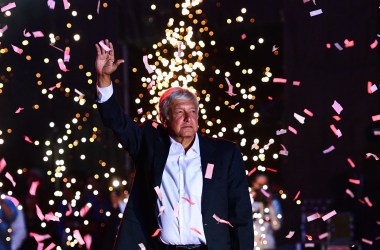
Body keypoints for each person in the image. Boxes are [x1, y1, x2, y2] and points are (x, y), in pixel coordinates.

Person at [95, 39, 254, 250]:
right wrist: (104, 77)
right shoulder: (150, 144)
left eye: (193, 111)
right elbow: (117, 122)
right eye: (180, 112)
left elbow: (241, 214)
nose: (188, 118)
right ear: (164, 118)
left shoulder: (225, 153)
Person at [250, 173, 282, 250]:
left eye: (264, 184)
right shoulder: (248, 202)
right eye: (259, 184)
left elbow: (276, 226)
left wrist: (270, 205)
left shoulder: (274, 203)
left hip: (268, 246)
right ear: (254, 184)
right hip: (252, 245)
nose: (261, 188)